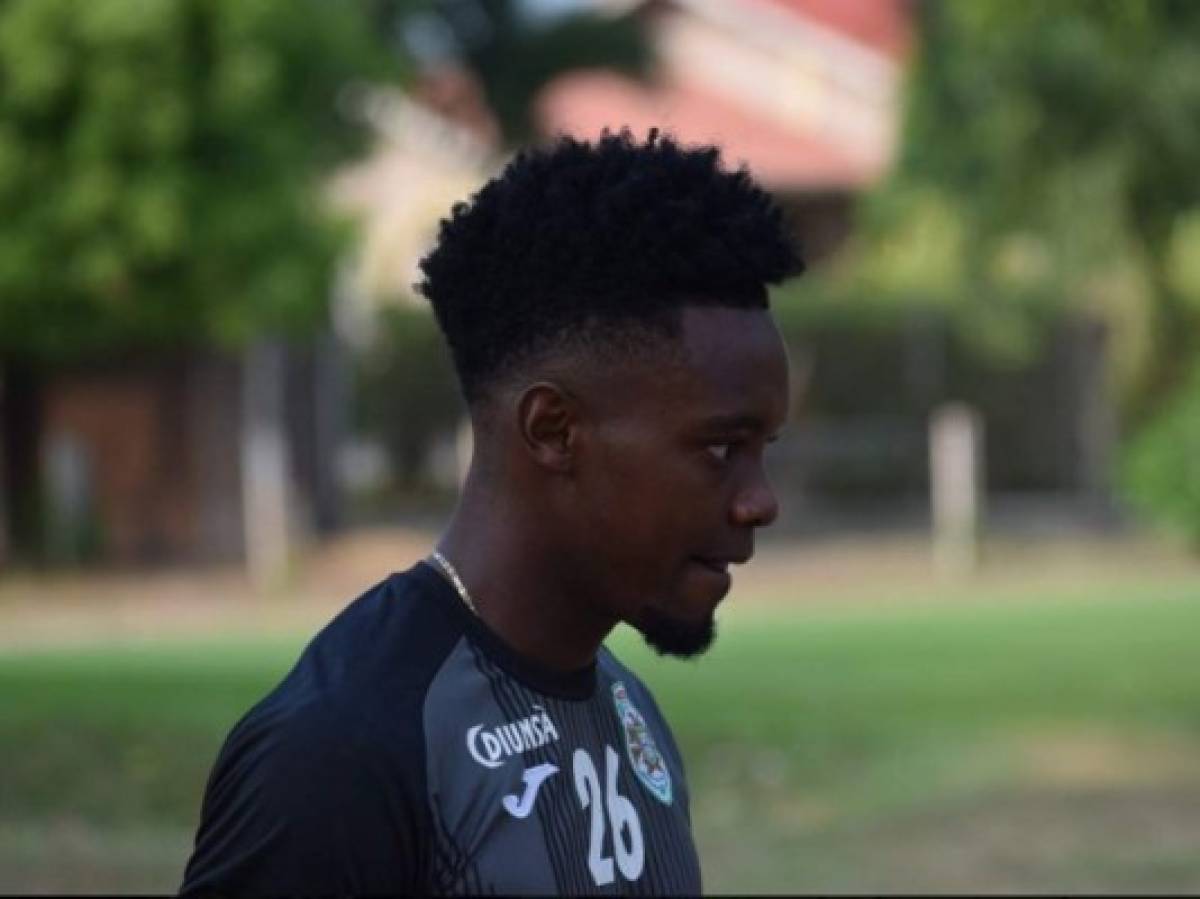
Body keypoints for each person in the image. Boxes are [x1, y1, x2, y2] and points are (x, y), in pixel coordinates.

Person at [180, 128, 803, 896]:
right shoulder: (341, 753)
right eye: (720, 447)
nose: (761, 499)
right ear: (553, 430)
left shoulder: (628, 711)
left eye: (764, 448)